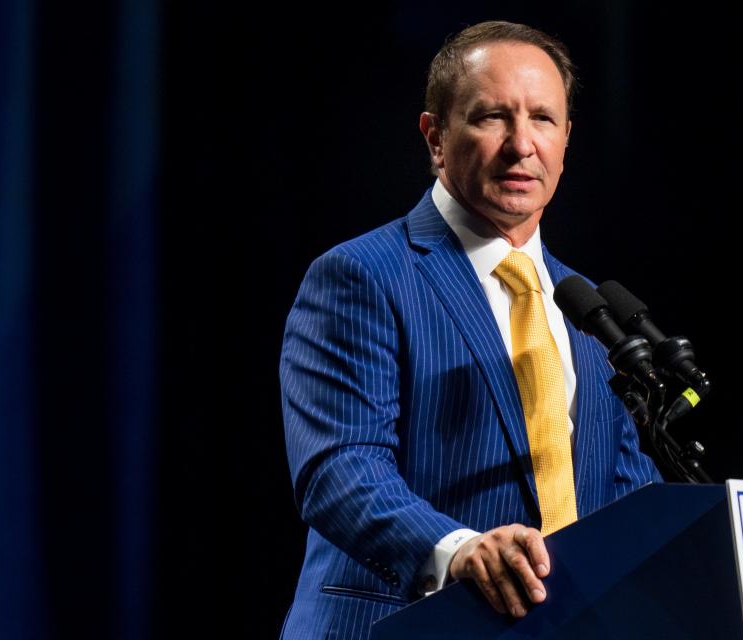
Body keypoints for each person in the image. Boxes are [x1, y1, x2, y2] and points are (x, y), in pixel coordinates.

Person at [279, 20, 661, 640]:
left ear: (567, 140)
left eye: (542, 118)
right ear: (435, 136)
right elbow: (340, 468)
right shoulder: (362, 276)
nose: (521, 144)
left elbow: (621, 492)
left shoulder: (588, 310)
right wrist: (456, 550)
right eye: (490, 117)